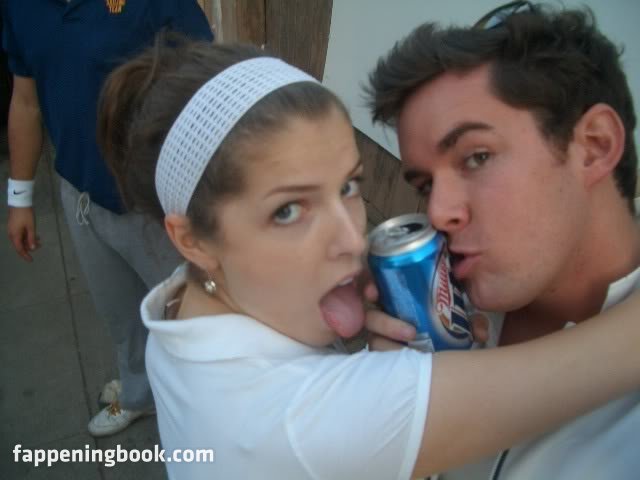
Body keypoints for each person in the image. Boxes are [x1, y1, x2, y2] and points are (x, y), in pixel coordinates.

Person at [96, 33, 640, 479]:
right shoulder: (299, 425)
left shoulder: (180, 317)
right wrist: (382, 389)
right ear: (192, 239)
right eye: (288, 211)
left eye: (350, 186)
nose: (354, 242)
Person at [365, 2, 639, 478]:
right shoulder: (450, 319)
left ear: (594, 146)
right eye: (425, 185)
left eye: (477, 157)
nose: (437, 213)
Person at [2, 1, 213, 437]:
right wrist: (19, 198)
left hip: (157, 202)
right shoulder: (20, 6)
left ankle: (213, 419)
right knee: (121, 316)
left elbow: (208, 82)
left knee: (195, 319)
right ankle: (139, 395)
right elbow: (26, 101)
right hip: (80, 194)